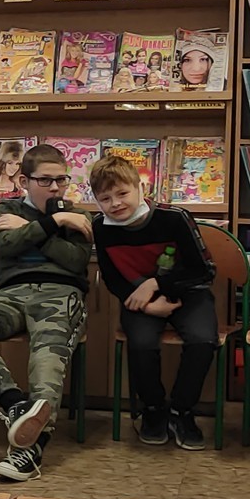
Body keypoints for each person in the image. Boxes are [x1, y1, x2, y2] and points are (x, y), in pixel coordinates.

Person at [0, 142, 92, 483]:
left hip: (60, 293)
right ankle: (14, 403)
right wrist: (55, 223)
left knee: (46, 358)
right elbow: (7, 245)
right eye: (46, 180)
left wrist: (39, 226)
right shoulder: (8, 209)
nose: (55, 188)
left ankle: (31, 447)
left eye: (61, 180)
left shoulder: (79, 215)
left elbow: (75, 261)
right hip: (10, 293)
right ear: (25, 181)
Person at [87, 152, 217, 449]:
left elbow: (204, 270)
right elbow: (113, 279)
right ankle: (153, 410)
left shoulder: (174, 218)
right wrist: (146, 303)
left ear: (141, 188)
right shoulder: (100, 227)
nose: (115, 203)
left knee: (202, 340)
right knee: (142, 344)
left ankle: (182, 411)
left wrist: (155, 284)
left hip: (188, 293)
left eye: (122, 193)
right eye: (105, 199)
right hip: (139, 301)